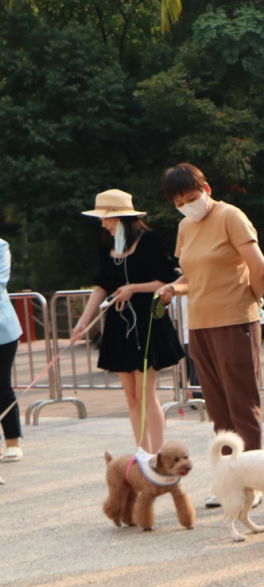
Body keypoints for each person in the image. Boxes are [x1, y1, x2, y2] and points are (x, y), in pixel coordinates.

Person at [156, 164, 264, 509]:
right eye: (179, 202)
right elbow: (196, 278)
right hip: (200, 325)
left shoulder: (230, 215)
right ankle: (227, 480)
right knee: (218, 408)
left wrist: (250, 301)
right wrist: (174, 288)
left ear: (206, 187)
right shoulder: (185, 226)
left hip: (234, 319)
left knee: (242, 404)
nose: (187, 205)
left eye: (191, 197)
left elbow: (260, 267)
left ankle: (253, 481)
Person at [71, 190, 185, 452]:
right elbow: (102, 285)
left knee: (146, 394)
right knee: (131, 397)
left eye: (107, 218)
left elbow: (167, 280)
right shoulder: (106, 243)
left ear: (121, 217)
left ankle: (158, 455)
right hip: (118, 324)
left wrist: (133, 288)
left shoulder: (150, 240)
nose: (103, 223)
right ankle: (142, 453)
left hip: (147, 321)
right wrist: (82, 322)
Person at [0, 238, 23, 462]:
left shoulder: (1, 246)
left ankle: (13, 440)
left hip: (2, 330)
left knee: (2, 385)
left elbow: (0, 280)